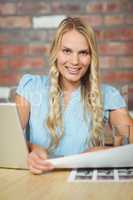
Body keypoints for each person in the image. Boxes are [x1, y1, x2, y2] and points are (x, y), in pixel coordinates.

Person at [15, 17, 133, 174]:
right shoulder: (31, 87)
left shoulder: (108, 95)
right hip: (37, 184)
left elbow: (129, 147)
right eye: (67, 51)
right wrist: (32, 148)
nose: (75, 61)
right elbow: (6, 141)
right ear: (55, 52)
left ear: (92, 57)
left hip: (84, 190)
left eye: (83, 53)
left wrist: (106, 153)